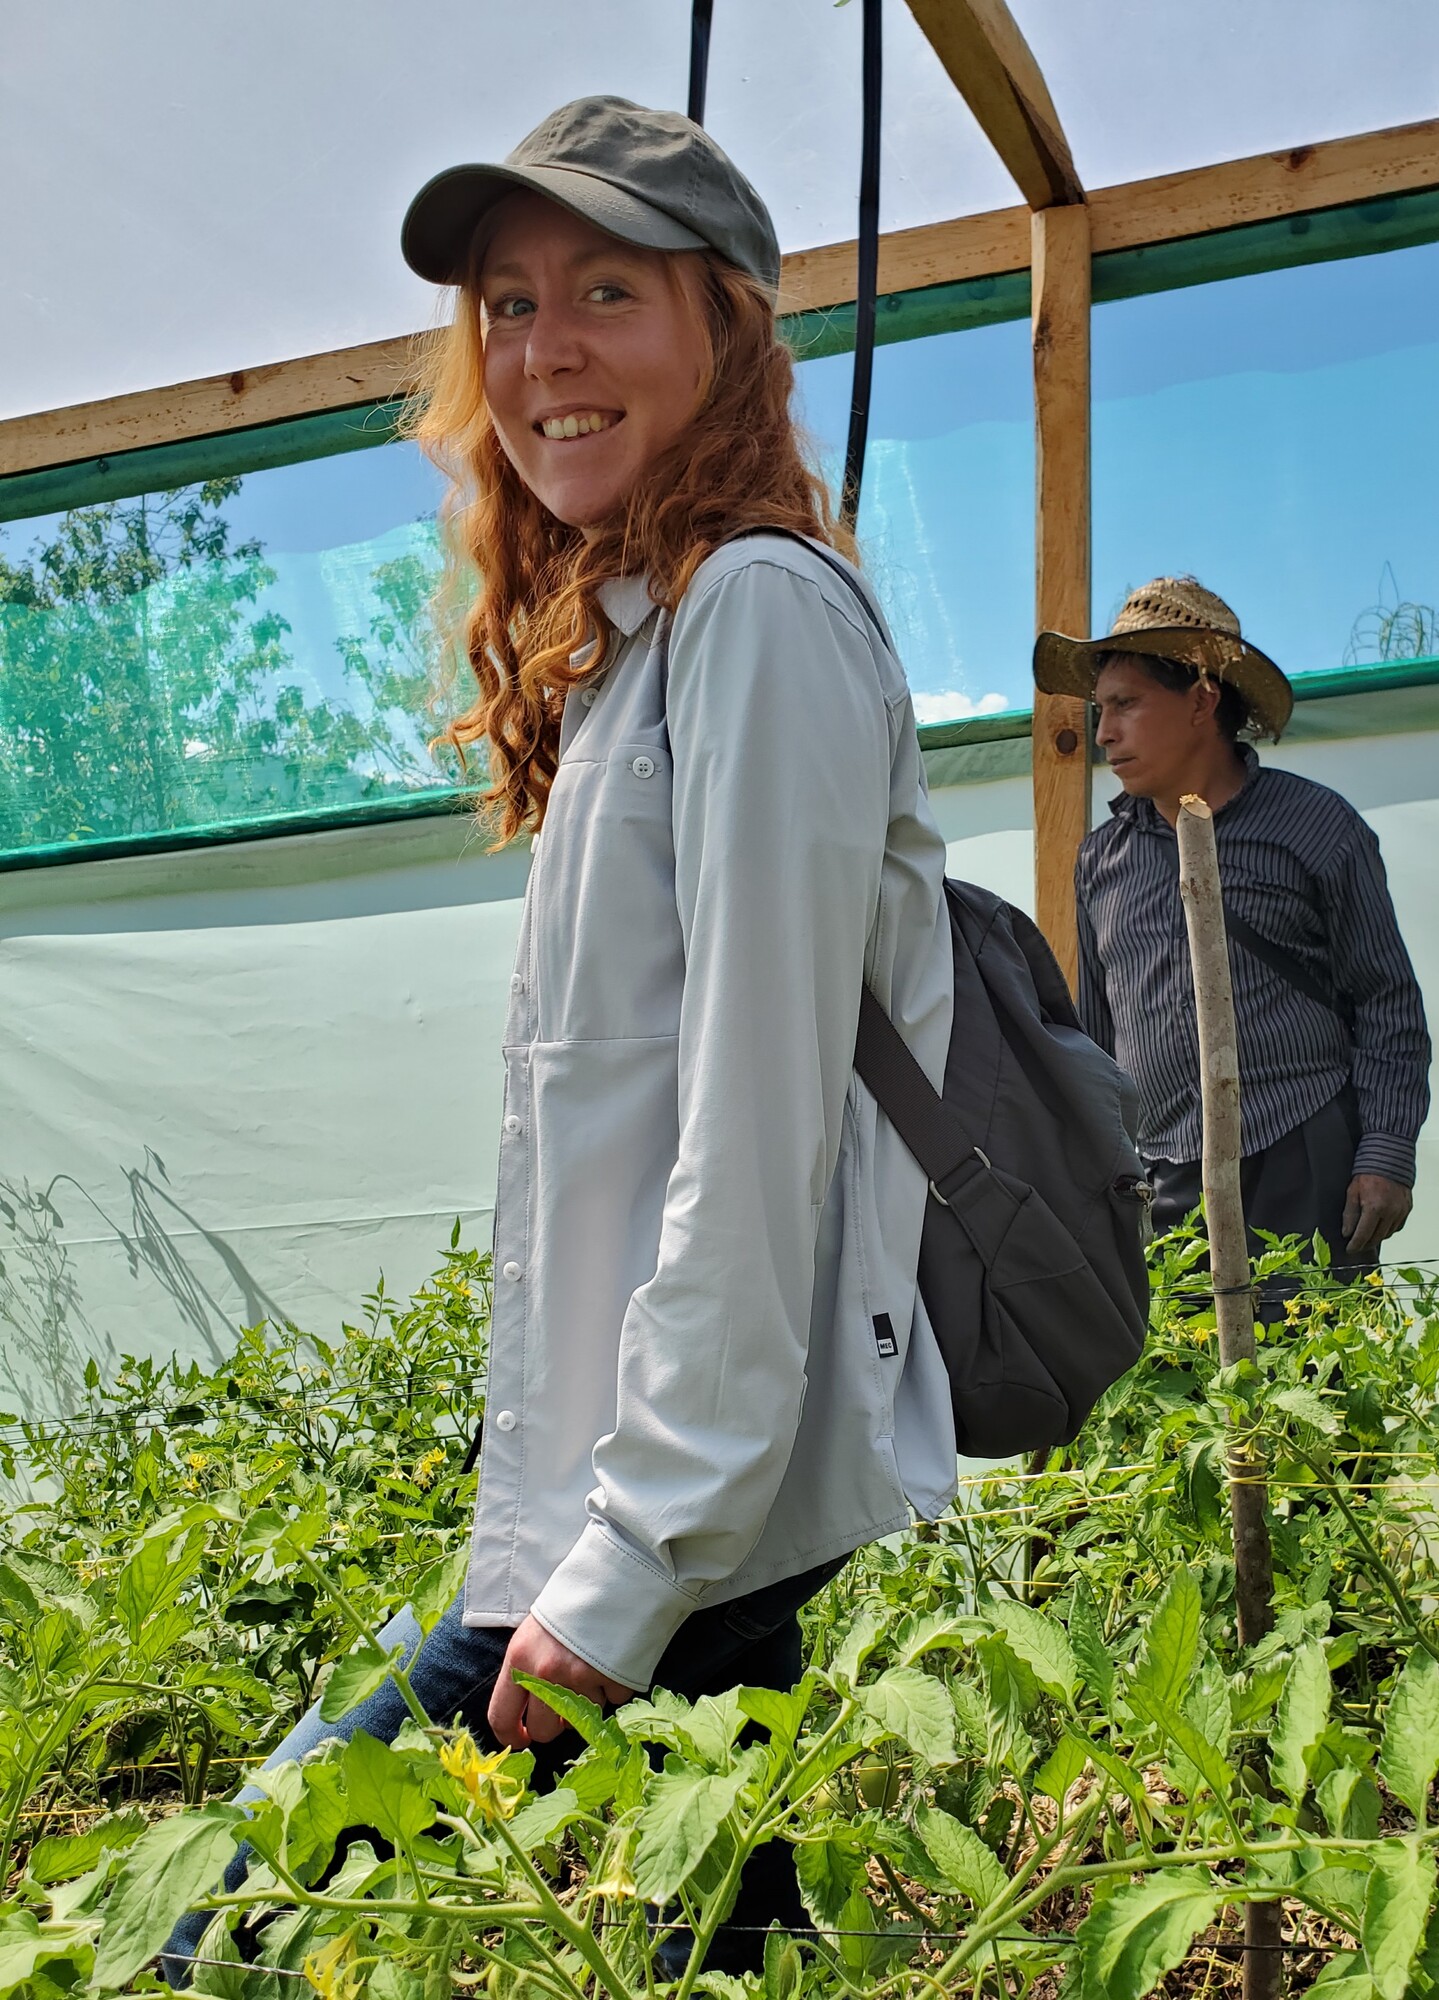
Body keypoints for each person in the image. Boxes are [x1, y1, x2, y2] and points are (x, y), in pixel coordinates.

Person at [163, 95, 956, 1981]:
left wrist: (618, 1562)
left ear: (728, 332)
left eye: (606, 287)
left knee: (220, 1926)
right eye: (508, 304)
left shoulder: (753, 612)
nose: (543, 352)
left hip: (677, 1508)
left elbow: (752, 1133)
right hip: (658, 1495)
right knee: (715, 1922)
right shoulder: (641, 639)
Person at [1033, 575, 1431, 1282]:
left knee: (1317, 1383)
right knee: (1175, 1385)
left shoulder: (1314, 826)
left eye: (1126, 704)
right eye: (1099, 709)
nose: (1103, 733)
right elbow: (1093, 1038)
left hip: (1303, 1158)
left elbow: (1385, 1003)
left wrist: (1384, 1155)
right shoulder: (1102, 859)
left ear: (1200, 700)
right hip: (1161, 1182)